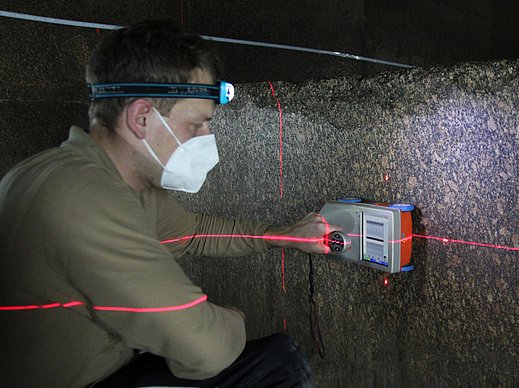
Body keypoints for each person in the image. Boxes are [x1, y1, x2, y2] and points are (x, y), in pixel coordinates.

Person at [0, 20, 334, 387]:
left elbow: (193, 233)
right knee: (277, 364)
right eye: (196, 125)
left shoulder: (94, 177)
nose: (208, 139)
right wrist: (232, 319)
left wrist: (285, 236)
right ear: (142, 118)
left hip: (105, 371)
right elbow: (205, 348)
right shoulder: (81, 196)